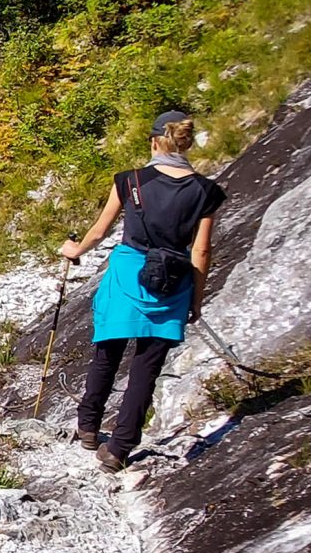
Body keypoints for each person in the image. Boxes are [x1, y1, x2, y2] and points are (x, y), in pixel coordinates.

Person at [59, 111, 225, 471]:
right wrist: (196, 299)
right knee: (146, 368)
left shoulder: (128, 181)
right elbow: (201, 250)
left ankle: (88, 426)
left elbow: (100, 231)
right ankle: (119, 449)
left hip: (127, 273)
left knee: (108, 351)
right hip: (172, 282)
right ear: (187, 144)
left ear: (154, 142)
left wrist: (75, 251)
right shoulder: (206, 192)